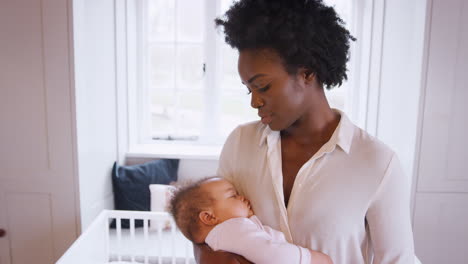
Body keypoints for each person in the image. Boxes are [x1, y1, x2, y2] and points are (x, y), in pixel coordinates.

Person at [193, 0, 417, 263]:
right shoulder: (240, 144)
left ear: (307, 73)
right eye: (248, 89)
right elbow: (208, 233)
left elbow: (397, 260)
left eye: (263, 86)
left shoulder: (377, 163)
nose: (254, 102)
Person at [170, 177, 333, 264]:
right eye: (233, 196)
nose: (242, 197)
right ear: (209, 217)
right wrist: (314, 258)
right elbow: (273, 254)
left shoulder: (219, 238)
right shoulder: (233, 229)